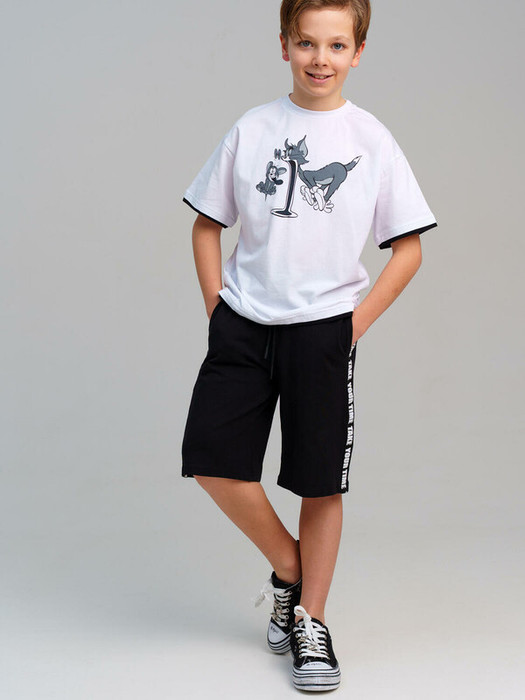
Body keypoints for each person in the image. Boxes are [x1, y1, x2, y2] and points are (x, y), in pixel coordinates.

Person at [181, 0, 437, 692]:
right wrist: (215, 307)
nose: (320, 58)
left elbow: (408, 249)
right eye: (306, 43)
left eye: (336, 45)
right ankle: (291, 570)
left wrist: (351, 325)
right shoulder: (252, 128)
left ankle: (310, 619)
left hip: (322, 329)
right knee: (212, 459)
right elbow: (206, 224)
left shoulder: (370, 139)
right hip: (243, 321)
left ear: (358, 52)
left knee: (318, 478)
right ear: (284, 45)